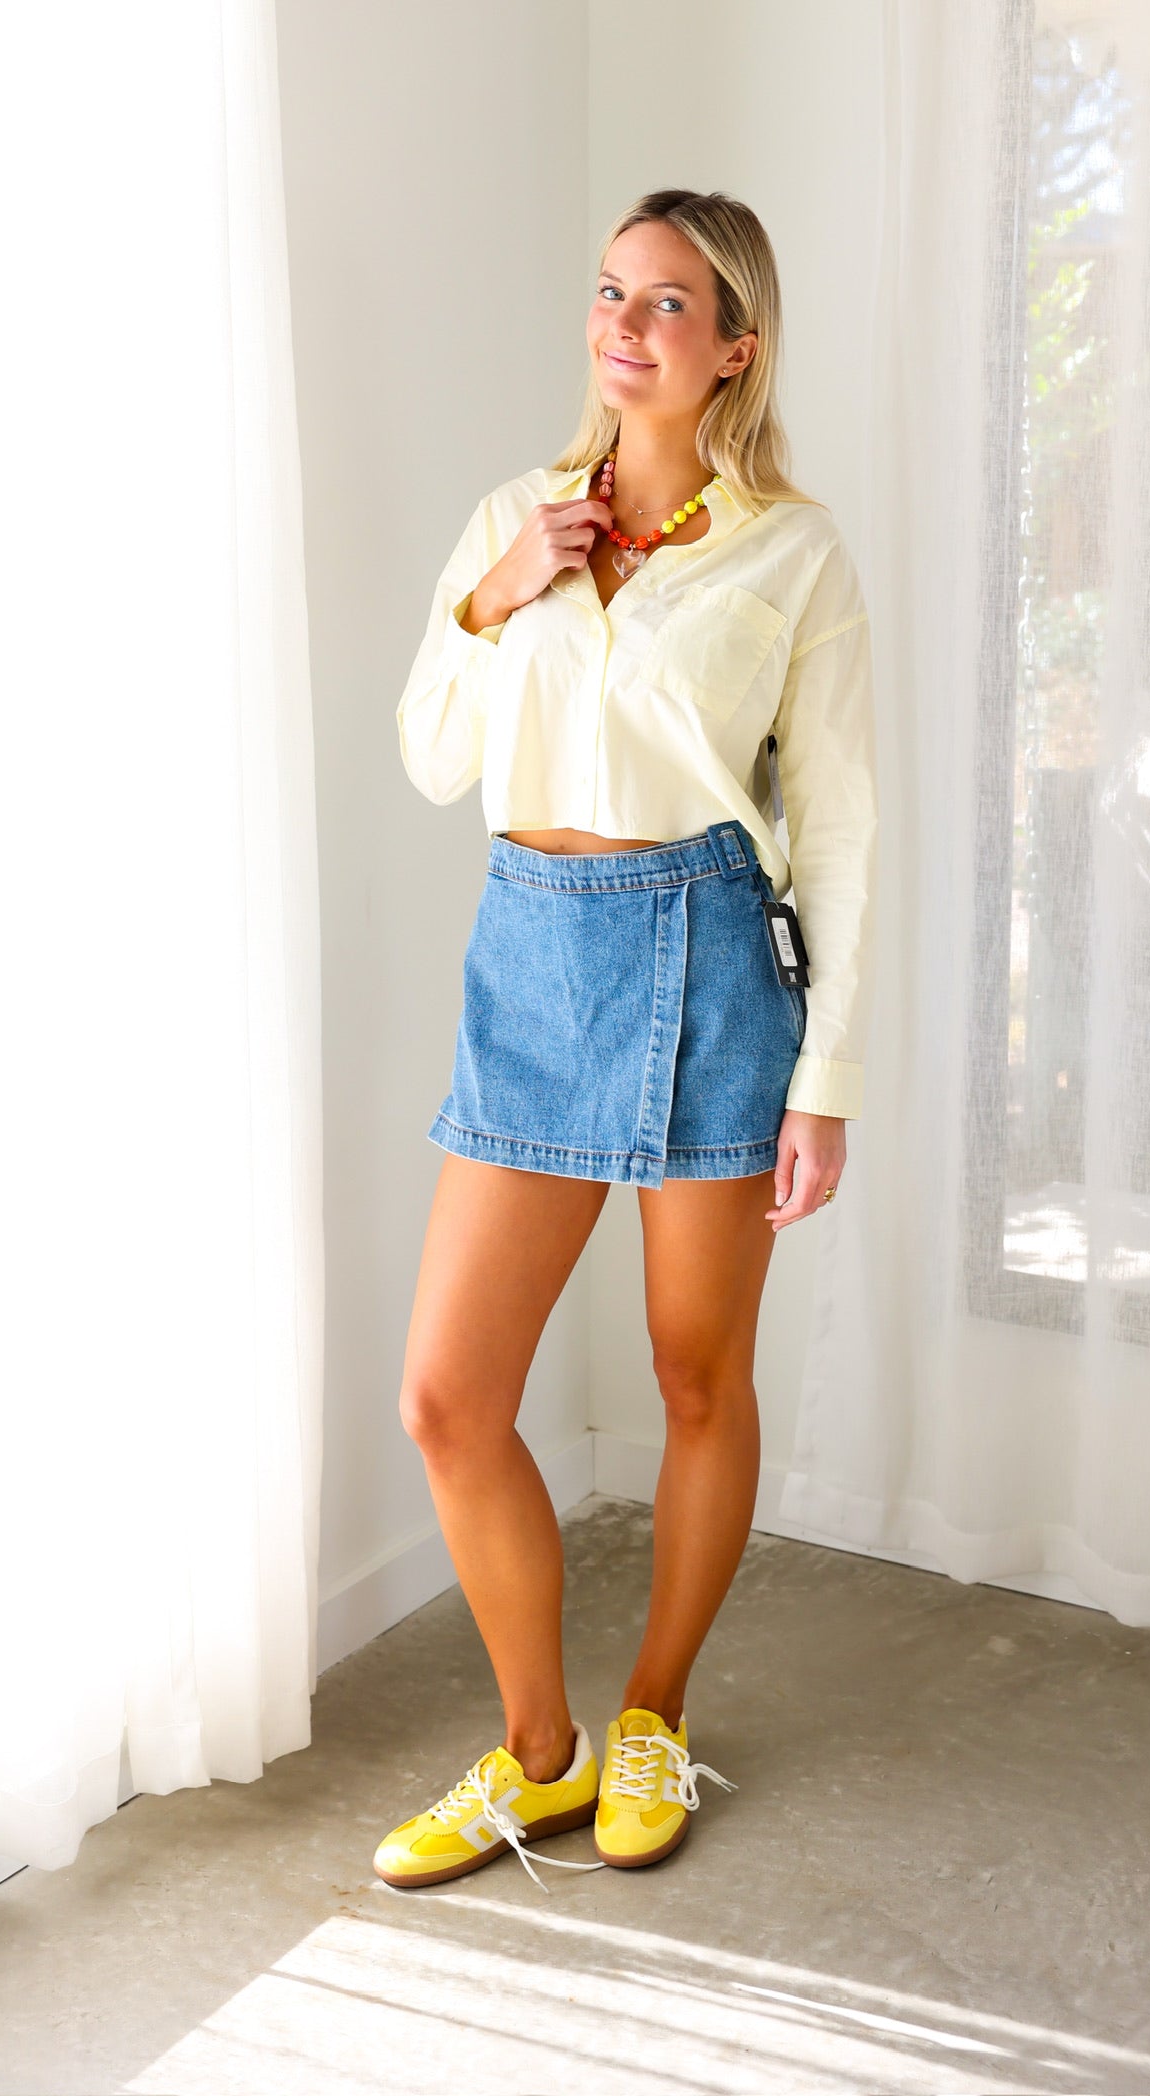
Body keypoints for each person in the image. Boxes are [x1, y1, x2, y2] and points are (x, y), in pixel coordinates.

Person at [375, 189, 877, 1889]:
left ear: (735, 348)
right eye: (609, 292)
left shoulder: (793, 552)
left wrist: (828, 1080)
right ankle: (541, 1754)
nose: (625, 325)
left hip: (712, 957)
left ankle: (655, 1708)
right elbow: (434, 757)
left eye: (668, 303)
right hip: (530, 956)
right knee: (449, 1398)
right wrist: (497, 593)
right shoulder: (510, 518)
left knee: (694, 1374)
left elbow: (842, 826)